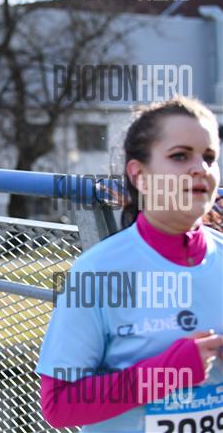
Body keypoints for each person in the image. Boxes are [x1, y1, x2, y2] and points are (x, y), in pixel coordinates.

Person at [37, 96, 223, 432]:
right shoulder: (97, 272)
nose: (201, 168)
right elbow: (58, 405)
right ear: (139, 175)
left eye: (209, 157)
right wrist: (168, 373)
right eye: (180, 156)